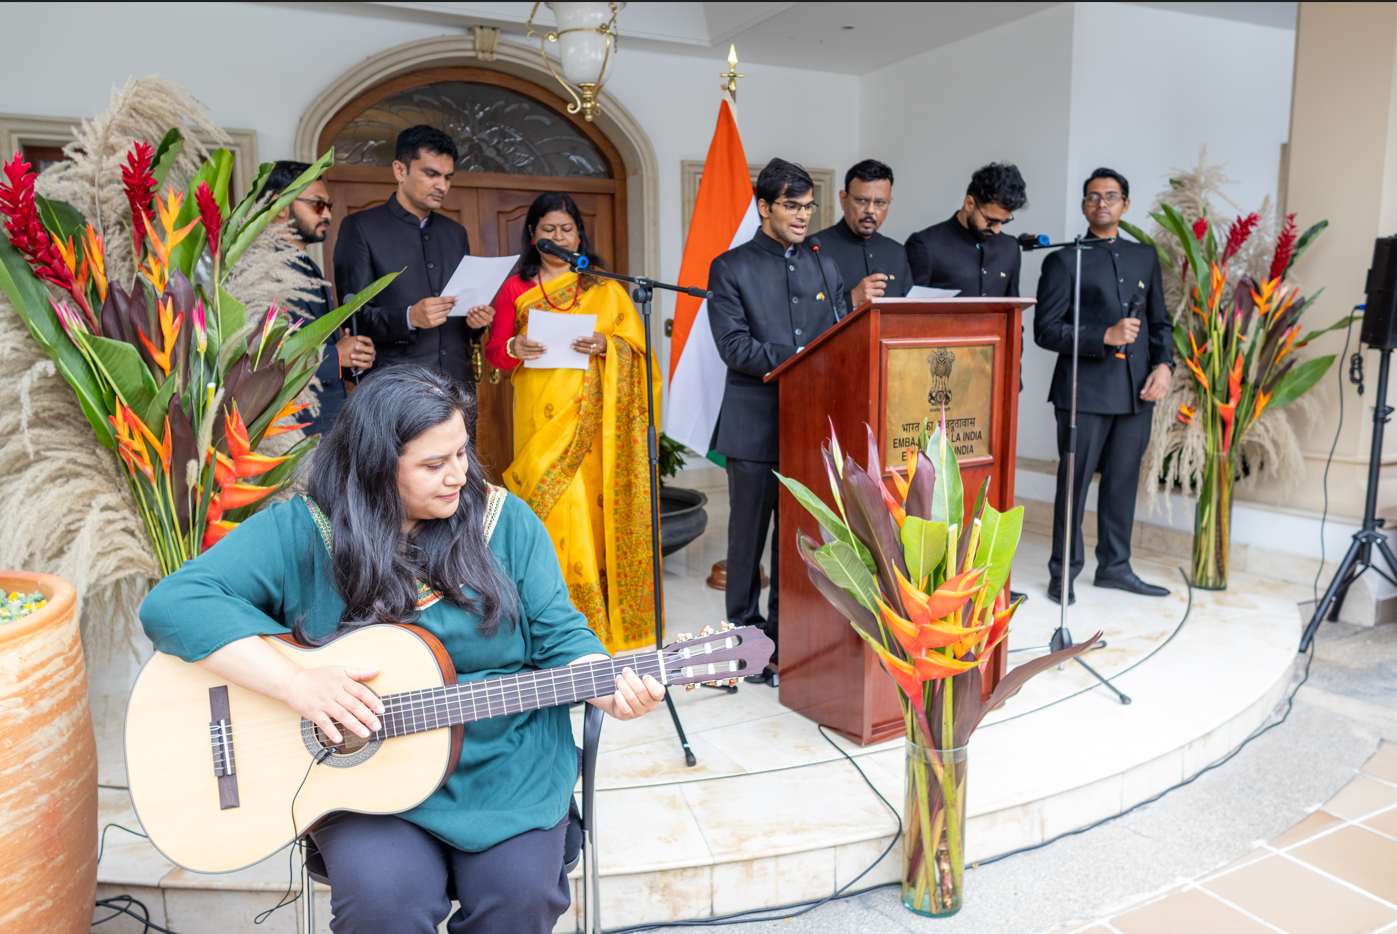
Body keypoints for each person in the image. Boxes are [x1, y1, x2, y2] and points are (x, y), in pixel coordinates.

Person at [138, 365, 665, 934]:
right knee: (384, 905)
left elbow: (562, 635)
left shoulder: (506, 523)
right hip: (368, 782)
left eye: (462, 453)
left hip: (506, 766)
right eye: (434, 465)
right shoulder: (306, 531)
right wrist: (295, 683)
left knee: (520, 900)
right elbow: (172, 605)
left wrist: (606, 684)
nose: (459, 476)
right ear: (373, 469)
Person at [482, 193, 659, 654]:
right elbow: (495, 353)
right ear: (532, 235)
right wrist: (514, 349)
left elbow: (636, 350)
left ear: (578, 236)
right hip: (538, 420)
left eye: (565, 229)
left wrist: (608, 345)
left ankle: (596, 622)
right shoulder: (515, 289)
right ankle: (549, 621)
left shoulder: (604, 287)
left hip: (593, 426)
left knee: (588, 510)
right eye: (548, 229)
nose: (557, 237)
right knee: (553, 513)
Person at [707, 159, 848, 685]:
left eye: (808, 206)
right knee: (747, 539)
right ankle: (744, 642)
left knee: (795, 536)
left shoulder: (822, 262)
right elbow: (735, 347)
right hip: (754, 423)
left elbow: (840, 332)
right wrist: (804, 354)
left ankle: (786, 639)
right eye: (791, 205)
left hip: (811, 422)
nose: (802, 216)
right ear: (764, 207)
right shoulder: (730, 266)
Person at [1033, 167, 1174, 604]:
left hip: (1137, 393)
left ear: (1125, 204)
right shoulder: (1061, 260)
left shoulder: (1145, 257)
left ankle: (1115, 568)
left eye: (1111, 196)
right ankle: (1064, 573)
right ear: (1083, 206)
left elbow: (1159, 323)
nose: (1102, 203)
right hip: (1084, 393)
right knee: (1073, 486)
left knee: (1122, 483)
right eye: (1093, 197)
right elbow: (1045, 330)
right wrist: (1104, 336)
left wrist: (1165, 366)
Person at [333, 125, 494, 402]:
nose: (442, 186)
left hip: (458, 385)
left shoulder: (455, 233)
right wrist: (409, 317)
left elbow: (461, 319)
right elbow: (353, 316)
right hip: (397, 388)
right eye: (430, 174)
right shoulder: (360, 227)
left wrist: (476, 322)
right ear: (399, 170)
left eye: (447, 177)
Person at [262, 160, 374, 434]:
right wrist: (337, 356)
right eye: (317, 204)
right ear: (279, 205)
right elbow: (267, 353)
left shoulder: (303, 263)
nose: (327, 215)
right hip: (294, 427)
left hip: (324, 420)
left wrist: (351, 357)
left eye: (329, 207)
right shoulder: (263, 267)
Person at [904, 162, 1027, 296]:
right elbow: (908, 310)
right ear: (969, 203)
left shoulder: (1010, 248)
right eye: (991, 221)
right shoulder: (925, 245)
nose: (997, 230)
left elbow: (1013, 308)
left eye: (1004, 221)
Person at [812, 159, 912, 312]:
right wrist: (851, 299)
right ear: (843, 199)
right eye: (862, 200)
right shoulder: (816, 249)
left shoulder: (897, 252)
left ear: (889, 202)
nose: (870, 210)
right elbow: (804, 313)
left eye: (880, 202)